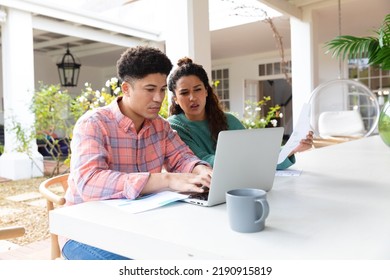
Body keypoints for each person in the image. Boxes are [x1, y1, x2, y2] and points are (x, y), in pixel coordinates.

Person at [63, 47, 212, 260]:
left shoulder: (160, 126)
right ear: (126, 88)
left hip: (142, 226)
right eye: (150, 89)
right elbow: (89, 182)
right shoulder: (93, 124)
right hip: (86, 233)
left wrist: (201, 170)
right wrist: (166, 179)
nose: (158, 98)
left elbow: (182, 157)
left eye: (162, 89)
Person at [167, 57, 313, 169]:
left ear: (206, 90)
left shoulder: (229, 120)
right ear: (176, 99)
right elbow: (200, 161)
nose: (192, 97)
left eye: (197, 89)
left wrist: (291, 149)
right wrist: (246, 160)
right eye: (184, 93)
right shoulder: (175, 126)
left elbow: (256, 154)